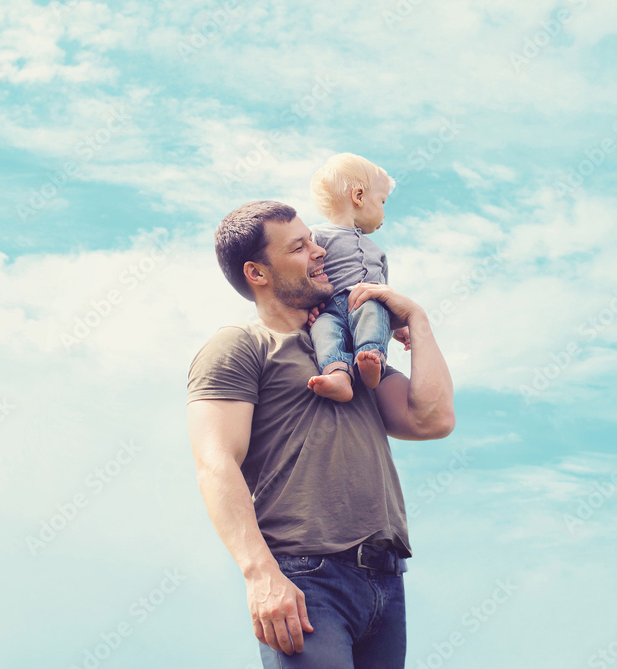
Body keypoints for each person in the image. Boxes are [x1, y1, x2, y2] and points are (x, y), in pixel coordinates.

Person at [187, 200, 454, 668]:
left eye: (313, 240)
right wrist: (259, 574)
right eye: (299, 246)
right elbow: (215, 463)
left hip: (386, 581)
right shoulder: (240, 346)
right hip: (305, 578)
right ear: (258, 273)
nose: (319, 252)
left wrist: (418, 321)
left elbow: (432, 419)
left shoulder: (354, 358)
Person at [306, 153, 410, 403]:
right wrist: (307, 307)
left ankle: (371, 358)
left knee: (373, 310)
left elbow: (386, 294)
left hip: (366, 302)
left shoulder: (378, 252)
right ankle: (338, 375)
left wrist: (400, 325)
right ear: (359, 196)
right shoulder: (316, 235)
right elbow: (305, 272)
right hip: (329, 308)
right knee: (323, 330)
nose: (384, 211)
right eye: (382, 201)